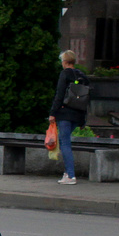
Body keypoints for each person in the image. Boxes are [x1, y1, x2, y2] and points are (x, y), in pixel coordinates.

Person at [49, 50, 87, 184]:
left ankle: (71, 176)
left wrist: (53, 113)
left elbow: (59, 95)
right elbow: (86, 99)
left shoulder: (65, 74)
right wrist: (83, 119)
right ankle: (67, 173)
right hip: (77, 114)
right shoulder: (82, 75)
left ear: (65, 62)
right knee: (65, 141)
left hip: (65, 113)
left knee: (65, 143)